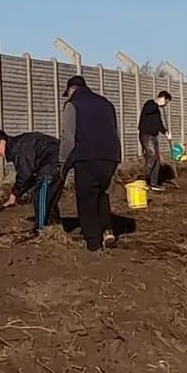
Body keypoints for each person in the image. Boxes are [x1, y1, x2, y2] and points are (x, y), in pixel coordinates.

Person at [59, 75, 122, 252]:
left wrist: (62, 162)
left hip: (87, 157)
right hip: (111, 156)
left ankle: (93, 242)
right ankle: (107, 231)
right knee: (102, 194)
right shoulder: (106, 103)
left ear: (71, 90)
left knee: (86, 198)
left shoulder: (73, 104)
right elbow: (114, 130)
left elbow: (68, 137)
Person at [0, 129, 62, 235]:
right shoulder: (18, 146)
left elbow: (25, 174)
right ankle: (53, 226)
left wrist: (14, 194)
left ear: (2, 142)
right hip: (53, 162)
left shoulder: (20, 148)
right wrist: (16, 194)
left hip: (53, 161)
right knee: (48, 196)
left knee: (40, 195)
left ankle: (40, 229)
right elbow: (28, 177)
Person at [138, 90, 172, 191]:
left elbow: (159, 124)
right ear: (162, 98)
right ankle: (144, 180)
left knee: (156, 160)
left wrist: (166, 132)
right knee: (151, 155)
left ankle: (153, 183)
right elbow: (149, 110)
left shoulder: (157, 111)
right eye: (166, 102)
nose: (165, 105)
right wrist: (158, 103)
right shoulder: (150, 104)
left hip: (154, 136)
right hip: (146, 135)